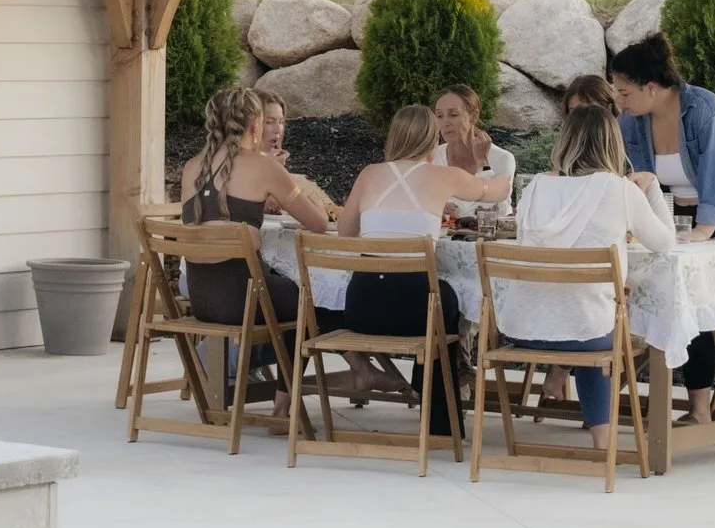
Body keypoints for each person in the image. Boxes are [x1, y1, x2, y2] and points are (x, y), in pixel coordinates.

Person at [606, 30, 715, 426]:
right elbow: (638, 176)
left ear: (651, 88)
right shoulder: (632, 121)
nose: (619, 100)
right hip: (683, 222)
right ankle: (699, 411)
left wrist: (705, 229)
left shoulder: (706, 110)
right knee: (687, 303)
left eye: (624, 92)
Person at [491, 75, 674, 453]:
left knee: (590, 316)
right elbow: (664, 242)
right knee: (596, 325)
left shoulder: (536, 187)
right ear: (612, 141)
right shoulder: (620, 189)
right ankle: (603, 442)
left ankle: (594, 434)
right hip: (587, 330)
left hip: (521, 325)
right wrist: (652, 187)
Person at [178, 78, 332, 342]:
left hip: (200, 298)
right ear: (254, 125)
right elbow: (318, 223)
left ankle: (254, 377)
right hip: (243, 300)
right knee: (320, 301)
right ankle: (289, 383)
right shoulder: (264, 166)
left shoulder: (192, 167)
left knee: (296, 297)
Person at [327, 101, 467, 349]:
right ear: (431, 142)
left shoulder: (370, 173)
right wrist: (481, 161)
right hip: (417, 311)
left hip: (361, 308)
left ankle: (415, 386)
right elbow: (494, 190)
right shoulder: (442, 176)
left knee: (438, 295)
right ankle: (427, 388)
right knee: (447, 298)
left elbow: (345, 232)